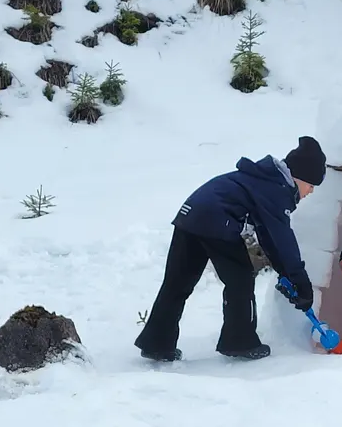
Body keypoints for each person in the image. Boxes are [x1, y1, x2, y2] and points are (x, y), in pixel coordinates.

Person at [135, 136, 326, 363]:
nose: (311, 191)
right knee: (241, 280)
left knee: (177, 283)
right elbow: (281, 238)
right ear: (298, 177)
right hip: (217, 220)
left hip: (190, 214)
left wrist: (287, 274)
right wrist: (299, 279)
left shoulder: (263, 179)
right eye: (311, 185)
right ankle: (240, 342)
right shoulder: (276, 189)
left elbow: (268, 236)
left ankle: (157, 344)